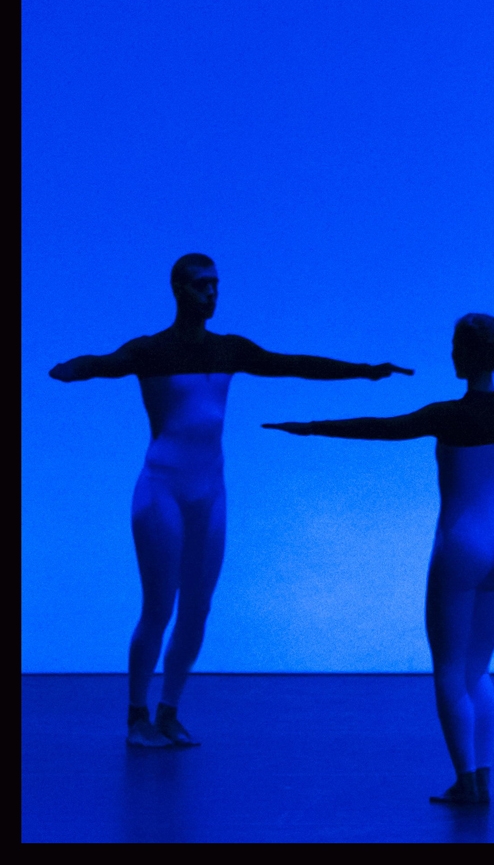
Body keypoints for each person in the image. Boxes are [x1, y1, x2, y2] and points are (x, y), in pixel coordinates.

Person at [48, 253, 410, 748]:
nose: (212, 294)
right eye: (202, 285)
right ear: (178, 288)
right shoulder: (151, 351)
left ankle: (169, 711)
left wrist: (363, 371)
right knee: (159, 606)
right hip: (162, 492)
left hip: (210, 494)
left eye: (216, 285)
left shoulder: (228, 350)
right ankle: (136, 717)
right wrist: (72, 368)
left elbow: (292, 365)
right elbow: (107, 364)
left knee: (198, 608)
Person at [267, 314, 494, 804]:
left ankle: (466, 780)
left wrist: (311, 428)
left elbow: (379, 428)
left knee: (450, 670)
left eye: (455, 345)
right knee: (479, 670)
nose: (450, 353)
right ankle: (484, 780)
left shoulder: (447, 415)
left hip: (461, 546)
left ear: (470, 353)